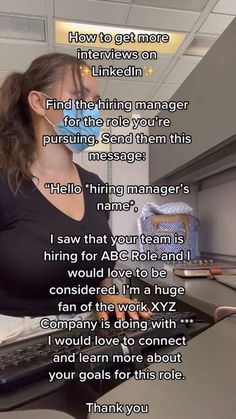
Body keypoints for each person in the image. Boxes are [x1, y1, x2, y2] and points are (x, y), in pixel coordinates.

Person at [0, 52, 151, 343]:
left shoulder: (94, 186)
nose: (92, 110)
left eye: (95, 102)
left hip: (88, 335)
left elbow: (97, 264)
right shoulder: (6, 183)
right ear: (40, 103)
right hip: (18, 342)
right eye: (79, 97)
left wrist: (107, 294)